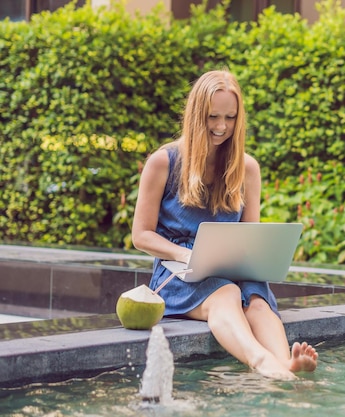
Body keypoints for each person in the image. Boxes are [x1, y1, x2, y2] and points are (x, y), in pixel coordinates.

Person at [131, 69, 318, 380]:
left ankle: (285, 363)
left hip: (229, 264)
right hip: (178, 271)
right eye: (213, 117)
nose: (221, 127)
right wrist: (185, 255)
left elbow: (249, 237)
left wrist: (257, 260)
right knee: (226, 294)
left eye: (230, 118)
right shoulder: (164, 162)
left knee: (256, 297)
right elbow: (141, 235)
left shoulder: (246, 168)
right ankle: (261, 361)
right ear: (195, 115)